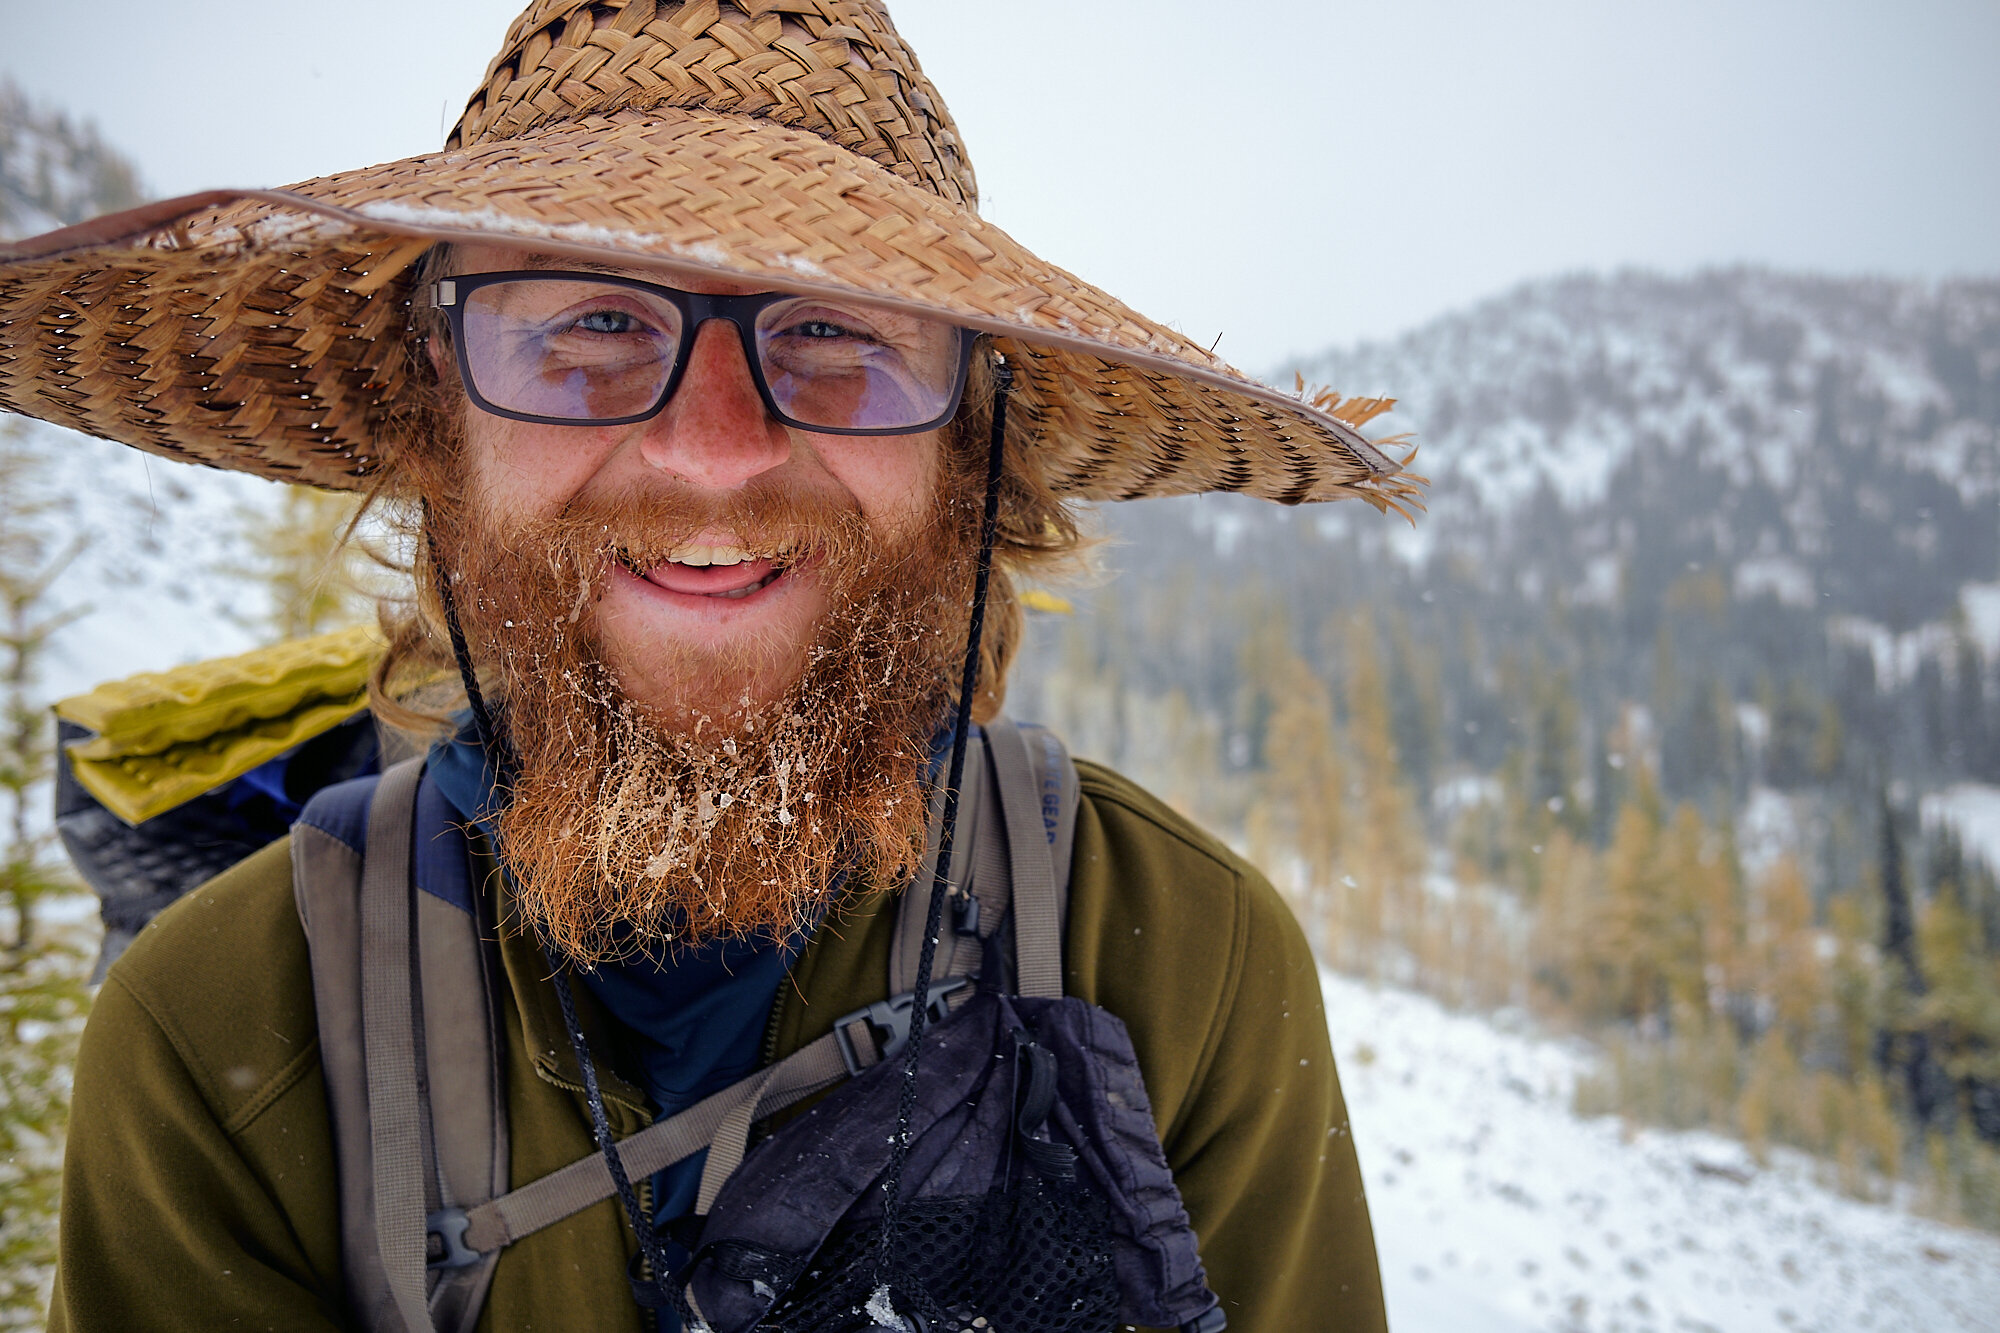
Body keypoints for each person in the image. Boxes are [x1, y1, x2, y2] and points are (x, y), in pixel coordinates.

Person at [0, 3, 1419, 1330]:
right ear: (436, 424)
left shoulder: (1177, 959)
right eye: (596, 328)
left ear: (965, 451)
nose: (714, 451)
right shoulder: (226, 1029)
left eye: (834, 334)